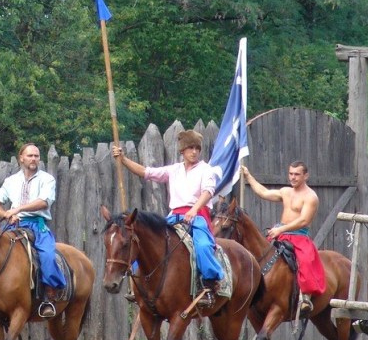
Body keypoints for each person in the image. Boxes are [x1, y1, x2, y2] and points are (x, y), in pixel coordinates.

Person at [111, 129, 225, 305]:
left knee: (202, 246)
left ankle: (209, 285)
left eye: (197, 148)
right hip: (173, 217)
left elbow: (208, 192)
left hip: (198, 216)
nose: (194, 151)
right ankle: (139, 287)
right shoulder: (174, 170)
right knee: (142, 242)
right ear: (182, 151)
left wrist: (194, 210)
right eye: (190, 148)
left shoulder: (206, 170)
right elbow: (146, 172)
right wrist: (123, 160)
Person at [0, 143, 66, 319]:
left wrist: (17, 209)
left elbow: (44, 202)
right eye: (30, 156)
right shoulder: (11, 181)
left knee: (46, 255)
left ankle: (48, 296)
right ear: (21, 158)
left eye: (37, 156)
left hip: (36, 225)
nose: (34, 159)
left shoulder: (47, 179)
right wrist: (6, 214)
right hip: (13, 225)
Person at [240, 161, 326, 317]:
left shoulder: (311, 197)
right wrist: (248, 176)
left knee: (306, 260)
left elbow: (304, 220)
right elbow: (263, 193)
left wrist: (281, 228)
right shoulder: (286, 191)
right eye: (291, 174)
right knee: (260, 254)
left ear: (306, 176)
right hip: (280, 234)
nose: (293, 177)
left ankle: (306, 297)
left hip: (299, 235)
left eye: (297, 174)